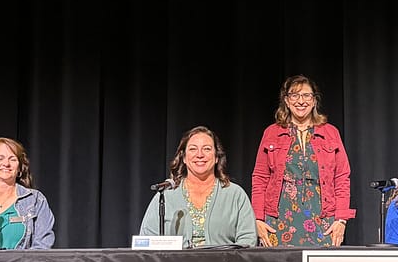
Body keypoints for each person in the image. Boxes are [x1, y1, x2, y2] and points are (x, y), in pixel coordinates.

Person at [250, 75, 355, 246]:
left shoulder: (330, 132)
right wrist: (258, 219)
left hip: (324, 220)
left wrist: (341, 219)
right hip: (278, 220)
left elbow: (342, 178)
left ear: (314, 101)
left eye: (306, 95)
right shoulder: (272, 133)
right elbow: (260, 178)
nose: (301, 101)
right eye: (295, 95)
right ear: (286, 100)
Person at [139, 126, 257, 247]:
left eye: (206, 149)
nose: (199, 155)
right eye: (193, 149)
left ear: (217, 157)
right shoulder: (165, 195)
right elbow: (146, 241)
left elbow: (248, 240)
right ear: (184, 157)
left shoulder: (235, 194)